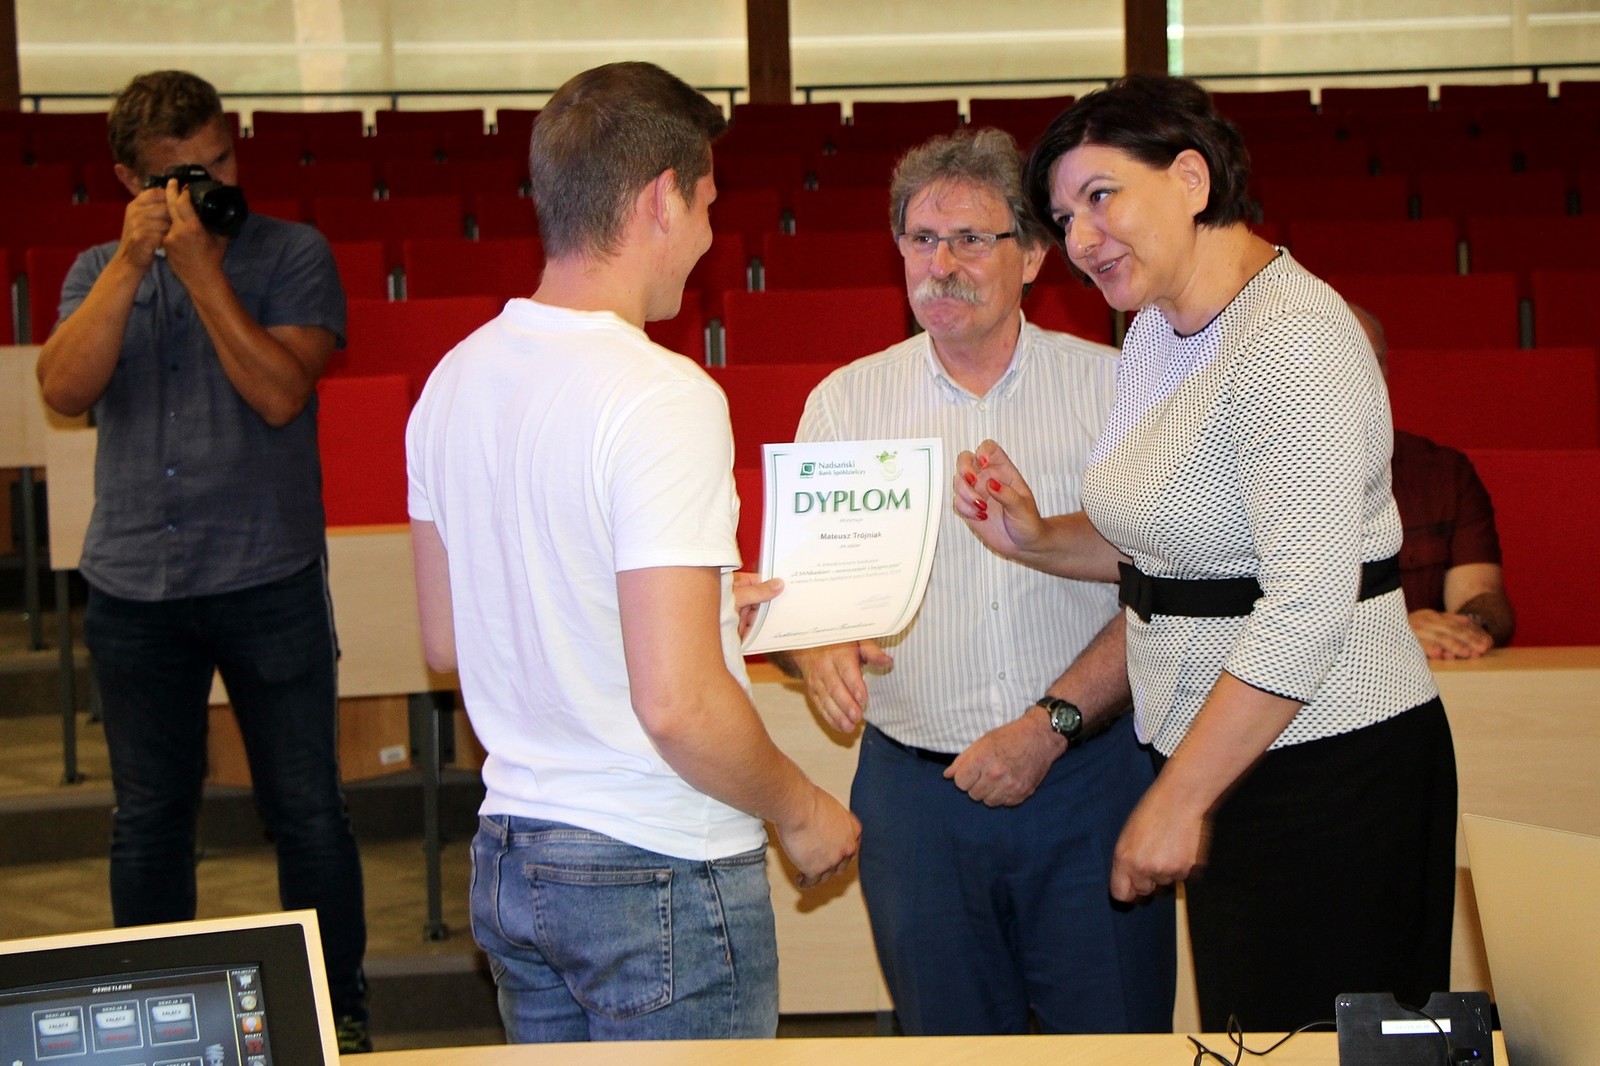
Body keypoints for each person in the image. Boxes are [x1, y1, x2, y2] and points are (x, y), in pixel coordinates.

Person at [954, 75, 1457, 1033]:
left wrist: (1178, 799)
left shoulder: (1295, 339)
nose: (1081, 238)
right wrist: (1038, 536)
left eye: (1101, 196)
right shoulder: (1158, 326)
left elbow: (1304, 607)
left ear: (1191, 178)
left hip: (1329, 767)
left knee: (1313, 1045)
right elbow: (1177, 549)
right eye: (1064, 217)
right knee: (1253, 1033)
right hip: (1225, 751)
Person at [404, 61, 859, 1044]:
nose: (708, 236)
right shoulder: (663, 394)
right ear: (662, 198)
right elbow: (677, 704)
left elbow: (450, 638)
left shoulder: (451, 380)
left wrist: (700, 613)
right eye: (707, 206)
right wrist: (799, 807)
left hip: (513, 853)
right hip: (656, 861)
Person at [774, 128, 1174, 1036]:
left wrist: (1049, 725)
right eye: (921, 239)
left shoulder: (1118, 391)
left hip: (1089, 778)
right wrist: (813, 644)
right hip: (917, 804)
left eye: (970, 240)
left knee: (1116, 1045)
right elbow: (800, 604)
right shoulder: (846, 405)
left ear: (1032, 256)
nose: (941, 265)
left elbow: (1167, 588)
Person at [35, 71, 370, 1052]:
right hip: (134, 584)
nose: (209, 185)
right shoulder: (98, 267)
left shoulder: (293, 253)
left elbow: (280, 393)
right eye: (178, 175)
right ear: (130, 181)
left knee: (308, 812)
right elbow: (63, 386)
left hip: (267, 576)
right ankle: (150, 1018)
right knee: (148, 819)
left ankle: (336, 1012)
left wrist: (199, 272)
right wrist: (133, 264)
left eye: (219, 161)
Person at [1350, 305, 1516, 659]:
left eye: (1369, 362)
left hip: (1429, 677)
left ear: (1386, 372)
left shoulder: (1442, 473)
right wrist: (1388, 632)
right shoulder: (1243, 480)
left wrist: (1466, 627)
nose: (1355, 379)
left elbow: (1483, 598)